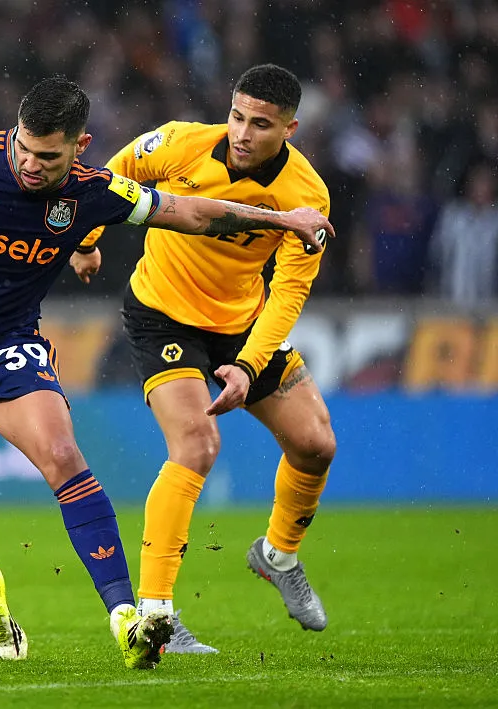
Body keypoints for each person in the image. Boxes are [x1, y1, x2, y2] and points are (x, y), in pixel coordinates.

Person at [0, 75, 332, 669]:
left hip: (8, 344)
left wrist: (284, 222)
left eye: (47, 157)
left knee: (62, 455)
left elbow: (191, 214)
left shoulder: (92, 192)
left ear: (79, 147)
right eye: (22, 148)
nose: (29, 165)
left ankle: (130, 617)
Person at [70, 64, 336, 654]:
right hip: (161, 313)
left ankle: (277, 555)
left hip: (242, 326)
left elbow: (290, 290)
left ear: (289, 129)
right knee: (196, 446)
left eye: (260, 124)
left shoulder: (305, 196)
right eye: (238, 116)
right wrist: (86, 242)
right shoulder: (179, 142)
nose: (242, 133)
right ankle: (157, 614)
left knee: (316, 444)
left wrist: (248, 364)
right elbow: (107, 175)